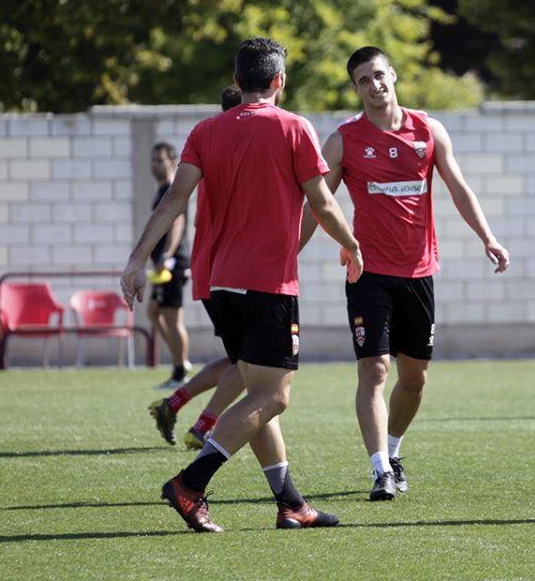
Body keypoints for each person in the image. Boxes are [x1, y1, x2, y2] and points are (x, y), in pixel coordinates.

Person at [121, 36, 363, 532]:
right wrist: (353, 246)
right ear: (280, 82)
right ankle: (190, 483)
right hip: (268, 283)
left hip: (218, 285)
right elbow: (322, 203)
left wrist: (135, 261)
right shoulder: (294, 127)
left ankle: (291, 504)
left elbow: (171, 203)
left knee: (257, 395)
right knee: (274, 397)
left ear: (236, 81)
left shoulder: (205, 131)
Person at [299, 46, 510, 501]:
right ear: (355, 89)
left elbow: (458, 188)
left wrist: (487, 237)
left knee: (414, 378)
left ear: (392, 75)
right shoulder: (342, 141)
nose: (374, 86)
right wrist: (288, 253)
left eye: (378, 75)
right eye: (363, 80)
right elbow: (318, 204)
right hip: (367, 273)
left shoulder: (428, 130)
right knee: (374, 371)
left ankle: (392, 452)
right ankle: (380, 471)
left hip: (419, 275)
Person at [148, 84, 246, 449]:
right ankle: (203, 424)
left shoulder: (207, 142)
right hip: (234, 267)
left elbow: (176, 206)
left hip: (211, 266)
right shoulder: (241, 146)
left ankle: (175, 403)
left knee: (243, 359)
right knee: (256, 365)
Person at [147, 142, 193, 390]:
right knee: (154, 312)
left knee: (173, 319)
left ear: (172, 162)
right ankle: (181, 361)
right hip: (164, 266)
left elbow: (177, 221)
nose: (154, 165)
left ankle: (180, 371)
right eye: (153, 160)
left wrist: (166, 254)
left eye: (160, 160)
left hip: (174, 263)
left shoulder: (174, 190)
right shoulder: (160, 191)